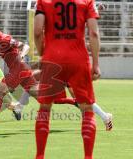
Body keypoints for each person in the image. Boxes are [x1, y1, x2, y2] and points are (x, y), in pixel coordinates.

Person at [34, 0, 102, 158]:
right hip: (78, 59)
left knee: (45, 109)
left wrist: (44, 54)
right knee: (87, 110)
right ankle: (88, 156)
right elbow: (94, 33)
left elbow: (38, 31)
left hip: (52, 58)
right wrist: (96, 64)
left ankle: (40, 156)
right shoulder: (87, 2)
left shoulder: (43, 2)